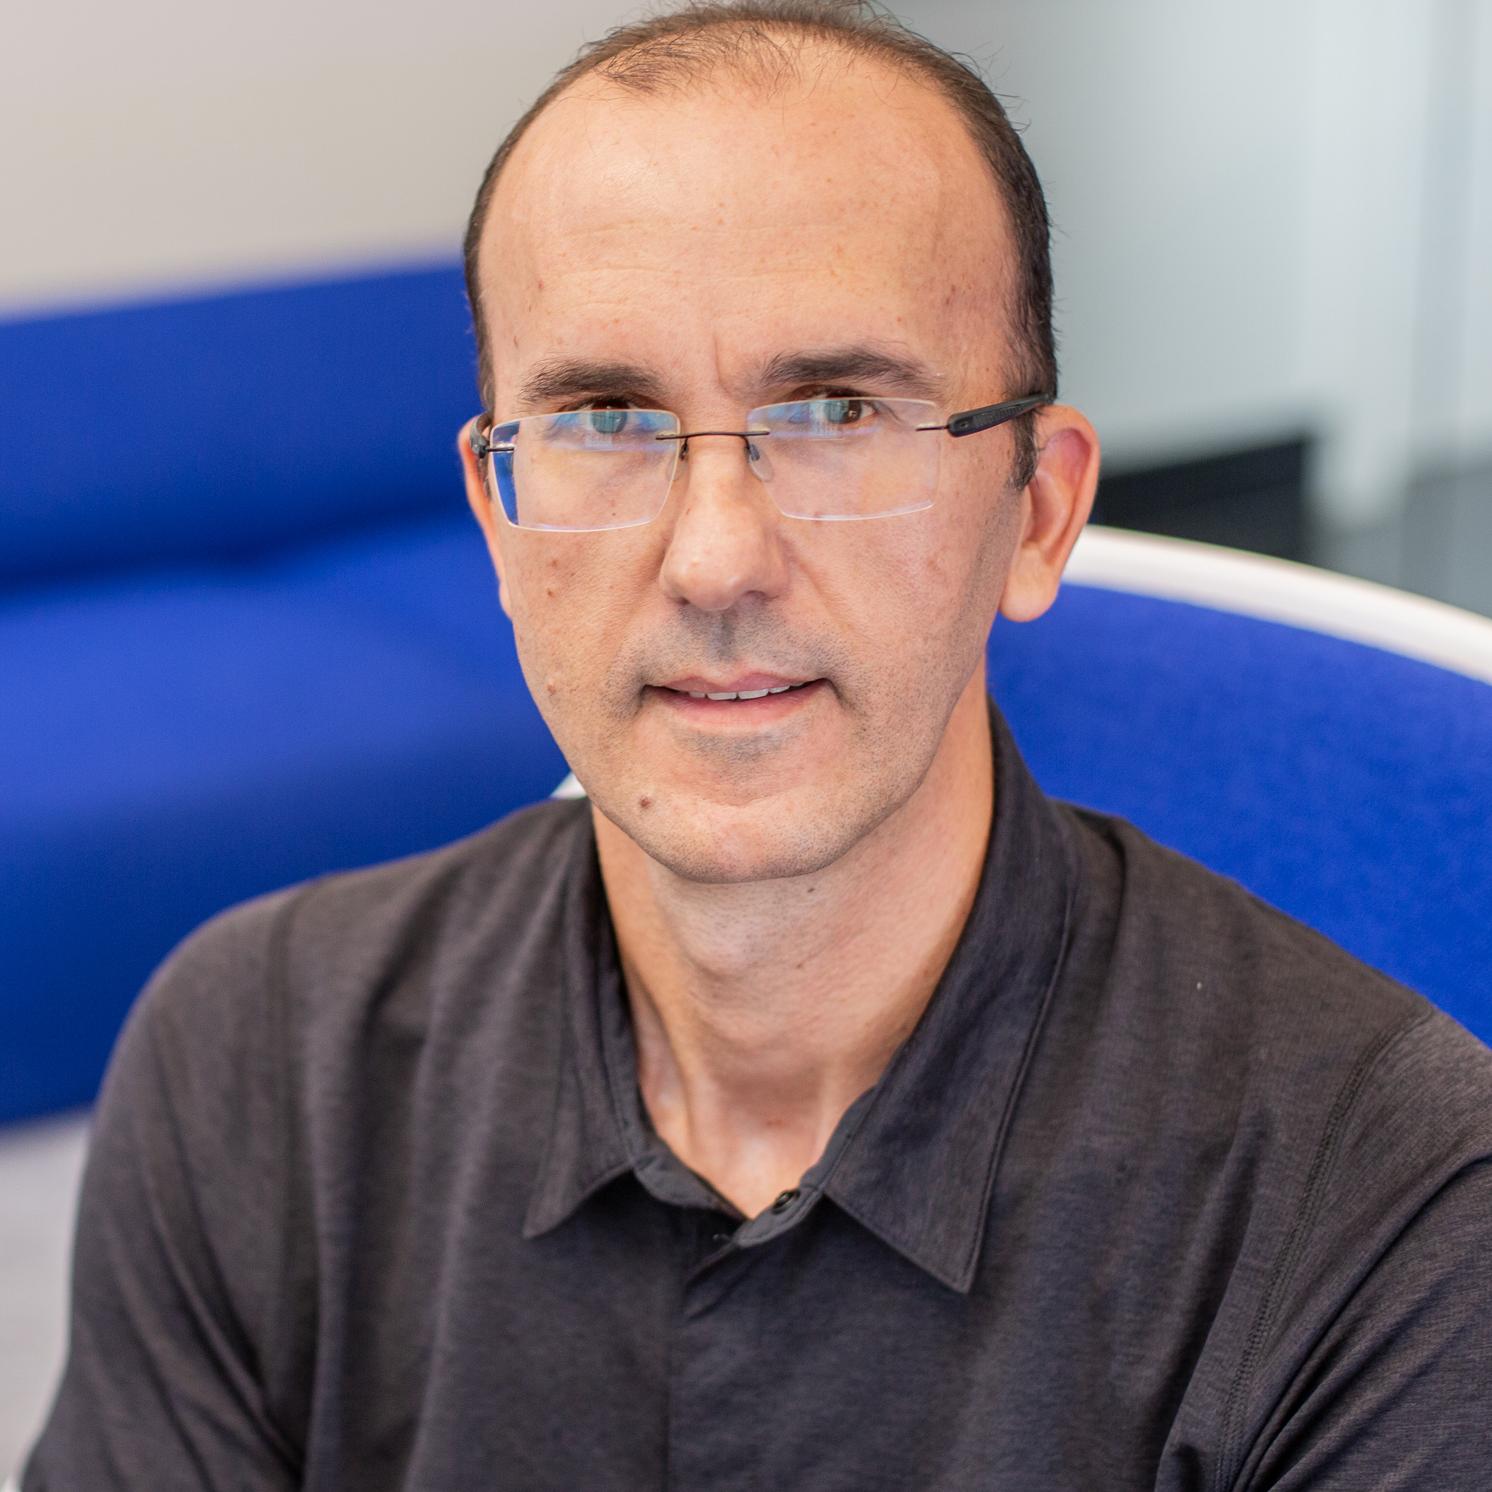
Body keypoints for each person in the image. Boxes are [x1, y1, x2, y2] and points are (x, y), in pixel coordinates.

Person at [19, 3, 1492, 1488]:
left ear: (1037, 514)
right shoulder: (256, 1065)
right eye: (605, 419)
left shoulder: (1389, 1212)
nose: (716, 560)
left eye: (840, 410)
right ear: (496, 517)